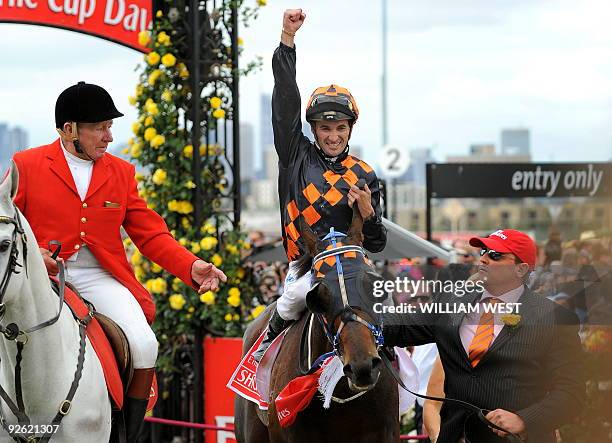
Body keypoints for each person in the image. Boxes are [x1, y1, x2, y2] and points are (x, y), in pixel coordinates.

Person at [12, 81, 227, 440]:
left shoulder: (122, 172)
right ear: (69, 130)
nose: (109, 136)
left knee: (146, 345)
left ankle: (126, 431)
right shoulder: (27, 165)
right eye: (100, 127)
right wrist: (35, 257)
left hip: (99, 275)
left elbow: (150, 234)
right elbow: (6, 226)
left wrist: (192, 266)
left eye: (110, 126)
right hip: (42, 276)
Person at [253, 9, 387, 361]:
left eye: (340, 128)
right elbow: (284, 102)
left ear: (350, 130)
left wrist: (369, 212)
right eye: (325, 129)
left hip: (353, 267)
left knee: (385, 307)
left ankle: (398, 387)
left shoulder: (365, 174)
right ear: (314, 130)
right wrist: (287, 39)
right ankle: (265, 352)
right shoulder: (295, 156)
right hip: (307, 267)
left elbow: (377, 242)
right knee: (294, 299)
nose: (332, 135)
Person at [383, 229, 585, 442]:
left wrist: (524, 419)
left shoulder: (555, 319)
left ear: (521, 269)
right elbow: (397, 327)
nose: (484, 259)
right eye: (484, 251)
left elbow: (572, 394)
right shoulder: (452, 302)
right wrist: (352, 307)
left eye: (495, 255)